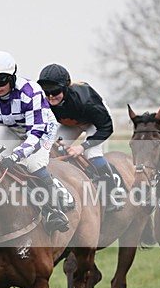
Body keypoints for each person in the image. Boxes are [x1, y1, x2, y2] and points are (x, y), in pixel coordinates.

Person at [0, 50, 71, 233]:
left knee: (33, 163)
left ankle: (55, 209)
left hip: (41, 128)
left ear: (12, 77)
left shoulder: (31, 91)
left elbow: (35, 134)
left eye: (1, 80)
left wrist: (16, 155)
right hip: (10, 127)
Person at [37, 63, 123, 213]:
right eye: (47, 91)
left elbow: (107, 128)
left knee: (92, 154)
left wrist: (82, 146)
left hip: (94, 121)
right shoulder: (43, 101)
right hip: (70, 122)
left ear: (65, 88)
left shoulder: (86, 101)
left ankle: (112, 193)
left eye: (55, 91)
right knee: (48, 149)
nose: (50, 96)